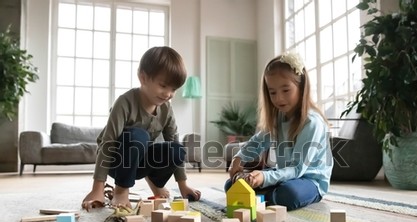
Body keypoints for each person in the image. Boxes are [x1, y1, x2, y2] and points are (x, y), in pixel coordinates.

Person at [82, 46, 201, 210]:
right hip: (116, 162)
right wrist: (97, 189)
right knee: (138, 135)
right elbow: (107, 144)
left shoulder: (166, 109)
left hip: (140, 162)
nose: (168, 93)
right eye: (163, 85)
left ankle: (155, 183)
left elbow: (174, 142)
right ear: (143, 78)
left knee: (177, 149)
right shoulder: (125, 102)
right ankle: (121, 190)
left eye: (173, 89)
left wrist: (183, 186)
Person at [225, 52, 332, 211]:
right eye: (272, 92)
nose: (279, 99)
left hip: (310, 181)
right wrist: (238, 159)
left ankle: (262, 197)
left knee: (289, 194)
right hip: (284, 175)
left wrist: (264, 177)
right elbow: (258, 142)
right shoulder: (279, 118)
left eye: (286, 90)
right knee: (231, 185)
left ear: (301, 87)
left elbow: (297, 169)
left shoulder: (312, 123)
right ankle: (265, 195)